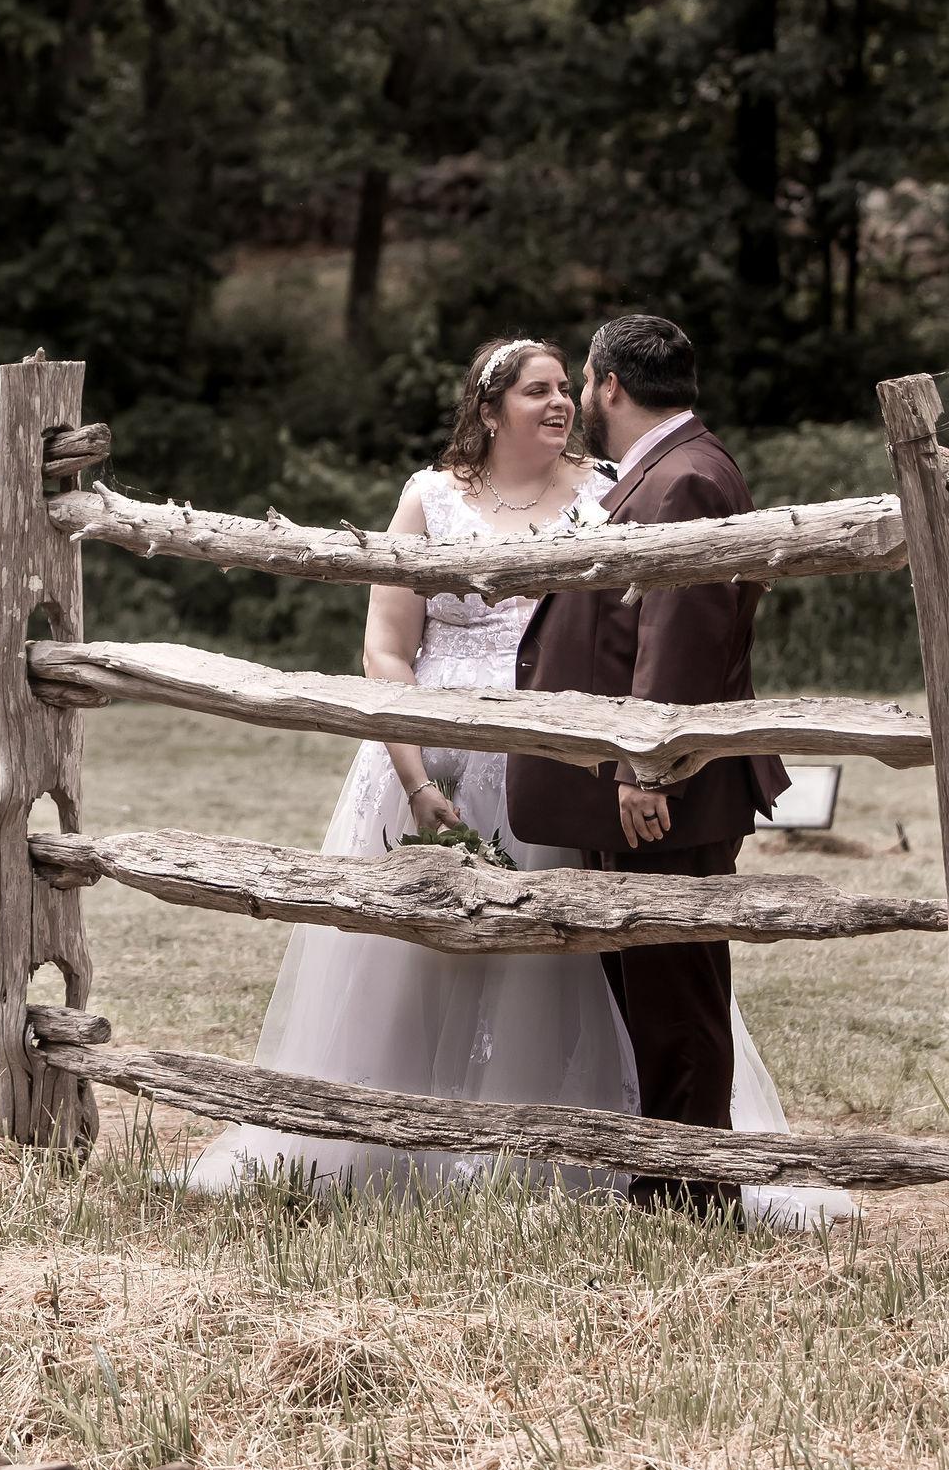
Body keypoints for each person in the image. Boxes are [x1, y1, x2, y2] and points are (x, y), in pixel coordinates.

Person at [181, 335, 630, 1197]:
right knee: (414, 952)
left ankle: (542, 1147)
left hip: (553, 755)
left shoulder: (604, 493)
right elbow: (386, 650)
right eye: (536, 390)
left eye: (564, 388)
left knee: (549, 950)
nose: (560, 403)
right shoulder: (431, 498)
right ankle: (391, 1139)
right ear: (490, 409)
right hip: (431, 759)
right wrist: (418, 781)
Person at [507, 312, 816, 1220]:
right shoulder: (673, 467)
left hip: (667, 790)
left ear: (608, 384)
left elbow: (681, 634)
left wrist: (648, 767)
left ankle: (693, 1190)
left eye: (583, 381)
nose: (580, 397)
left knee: (677, 990)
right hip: (647, 785)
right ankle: (668, 1176)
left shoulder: (685, 478)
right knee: (651, 984)